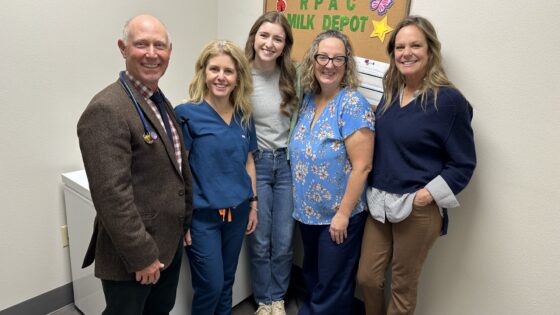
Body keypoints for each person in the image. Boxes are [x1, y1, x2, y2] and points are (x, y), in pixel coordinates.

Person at [356, 15, 477, 315]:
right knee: (367, 278)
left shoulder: (448, 101)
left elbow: (463, 163)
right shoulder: (390, 95)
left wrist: (426, 196)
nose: (406, 53)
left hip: (418, 208)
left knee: (402, 287)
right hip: (380, 203)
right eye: (399, 47)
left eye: (415, 45)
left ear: (430, 51)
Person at [77, 14, 193, 315]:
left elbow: (176, 168)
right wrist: (141, 255)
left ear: (170, 50)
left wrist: (184, 223)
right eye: (142, 44)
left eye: (160, 45)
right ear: (123, 48)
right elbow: (112, 196)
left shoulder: (158, 101)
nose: (152, 54)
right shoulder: (107, 109)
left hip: (167, 242)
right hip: (135, 255)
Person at [288, 30, 375, 315]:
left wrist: (342, 215)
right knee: (313, 278)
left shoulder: (352, 105)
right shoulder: (308, 100)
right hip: (308, 213)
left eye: (338, 58)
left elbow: (362, 166)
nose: (329, 64)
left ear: (347, 64)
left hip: (338, 217)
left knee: (332, 288)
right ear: (313, 61)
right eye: (323, 57)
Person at [174, 40, 258, 315]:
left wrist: (254, 204)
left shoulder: (245, 115)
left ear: (238, 78)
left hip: (238, 212)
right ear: (204, 73)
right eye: (214, 69)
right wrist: (182, 219)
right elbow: (180, 171)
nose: (221, 77)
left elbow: (248, 161)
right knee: (210, 285)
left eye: (228, 71)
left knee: (226, 282)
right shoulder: (187, 114)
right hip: (202, 218)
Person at [243, 12, 298, 315]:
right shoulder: (239, 75)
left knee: (285, 240)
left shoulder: (293, 75)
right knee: (260, 239)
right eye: (264, 35)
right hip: (257, 164)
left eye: (277, 38)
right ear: (254, 37)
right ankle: (265, 300)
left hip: (288, 164)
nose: (269, 43)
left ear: (285, 44)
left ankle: (278, 297)